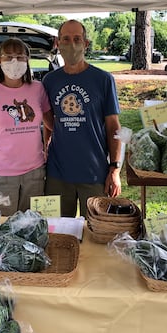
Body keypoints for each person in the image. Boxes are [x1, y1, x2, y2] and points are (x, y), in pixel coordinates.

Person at [42, 19, 122, 218]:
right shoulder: (50, 81)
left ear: (86, 44)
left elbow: (114, 127)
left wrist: (114, 169)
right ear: (57, 44)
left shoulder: (103, 80)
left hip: (94, 173)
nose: (72, 44)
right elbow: (49, 122)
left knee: (97, 230)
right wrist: (44, 148)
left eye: (77, 39)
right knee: (57, 233)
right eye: (66, 39)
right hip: (58, 174)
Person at [0, 37, 53, 216]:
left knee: (31, 225)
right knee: (2, 225)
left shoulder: (38, 89)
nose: (14, 62)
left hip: (35, 173)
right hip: (1, 175)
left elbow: (50, 123)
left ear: (27, 60)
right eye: (8, 57)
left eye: (20, 56)